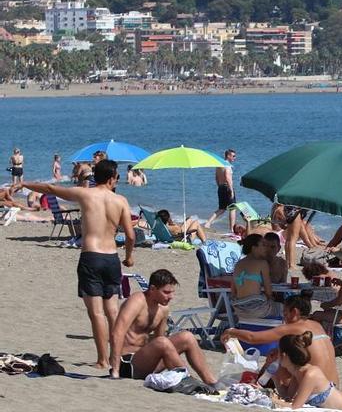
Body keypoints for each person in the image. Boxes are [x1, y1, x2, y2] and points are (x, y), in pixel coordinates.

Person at [22, 160, 134, 369]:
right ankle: (116, 358)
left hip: (91, 256)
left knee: (97, 313)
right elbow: (130, 235)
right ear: (112, 179)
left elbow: (49, 188)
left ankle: (102, 360)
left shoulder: (85, 194)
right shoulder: (121, 200)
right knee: (112, 312)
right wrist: (129, 257)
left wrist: (24, 184)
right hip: (112, 258)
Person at [109, 269, 217, 385]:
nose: (171, 297)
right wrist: (115, 370)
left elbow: (159, 340)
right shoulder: (137, 301)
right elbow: (117, 333)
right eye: (166, 292)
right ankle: (187, 380)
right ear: (152, 289)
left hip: (148, 363)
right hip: (127, 364)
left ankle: (211, 382)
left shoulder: (163, 309)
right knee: (162, 342)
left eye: (172, 292)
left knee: (187, 337)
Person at [221, 295, 340, 386]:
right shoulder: (316, 325)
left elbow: (253, 338)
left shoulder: (293, 327)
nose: (284, 318)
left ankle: (260, 382)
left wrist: (231, 331)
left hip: (314, 388)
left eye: (285, 313)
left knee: (280, 360)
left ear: (294, 312)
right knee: (281, 353)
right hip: (333, 386)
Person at [231, 234, 280, 319]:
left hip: (239, 311)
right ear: (254, 248)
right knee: (286, 309)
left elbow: (233, 291)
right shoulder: (262, 263)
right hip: (257, 309)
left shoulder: (238, 264)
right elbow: (268, 292)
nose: (266, 248)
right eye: (263, 245)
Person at [205, 149, 236, 232]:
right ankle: (232, 229)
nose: (234, 158)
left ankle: (208, 223)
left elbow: (216, 177)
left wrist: (219, 186)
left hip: (221, 187)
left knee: (222, 209)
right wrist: (231, 190)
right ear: (228, 156)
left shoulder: (219, 165)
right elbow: (227, 177)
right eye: (233, 156)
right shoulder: (227, 165)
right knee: (232, 208)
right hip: (227, 187)